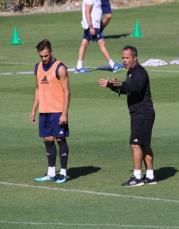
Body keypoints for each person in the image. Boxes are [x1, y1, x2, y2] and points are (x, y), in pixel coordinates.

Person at [98, 45, 157, 187]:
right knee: (144, 145)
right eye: (123, 57)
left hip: (142, 113)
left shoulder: (140, 73)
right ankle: (150, 176)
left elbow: (134, 88)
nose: (124, 60)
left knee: (135, 144)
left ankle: (137, 177)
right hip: (141, 113)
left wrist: (122, 84)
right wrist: (111, 85)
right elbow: (126, 89)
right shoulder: (131, 72)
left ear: (135, 58)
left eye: (127, 57)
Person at [30, 39, 70, 184]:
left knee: (60, 139)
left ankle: (64, 173)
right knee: (47, 140)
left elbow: (67, 92)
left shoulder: (60, 68)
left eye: (46, 56)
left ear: (51, 52)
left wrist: (64, 113)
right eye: (41, 56)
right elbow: (38, 89)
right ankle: (51, 172)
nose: (44, 59)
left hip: (58, 111)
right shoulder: (37, 68)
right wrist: (34, 109)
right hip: (44, 111)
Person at [75, 0, 122, 73]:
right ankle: (113, 65)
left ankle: (79, 66)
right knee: (101, 43)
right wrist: (91, 27)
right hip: (93, 25)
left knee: (84, 43)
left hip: (93, 25)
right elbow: (87, 11)